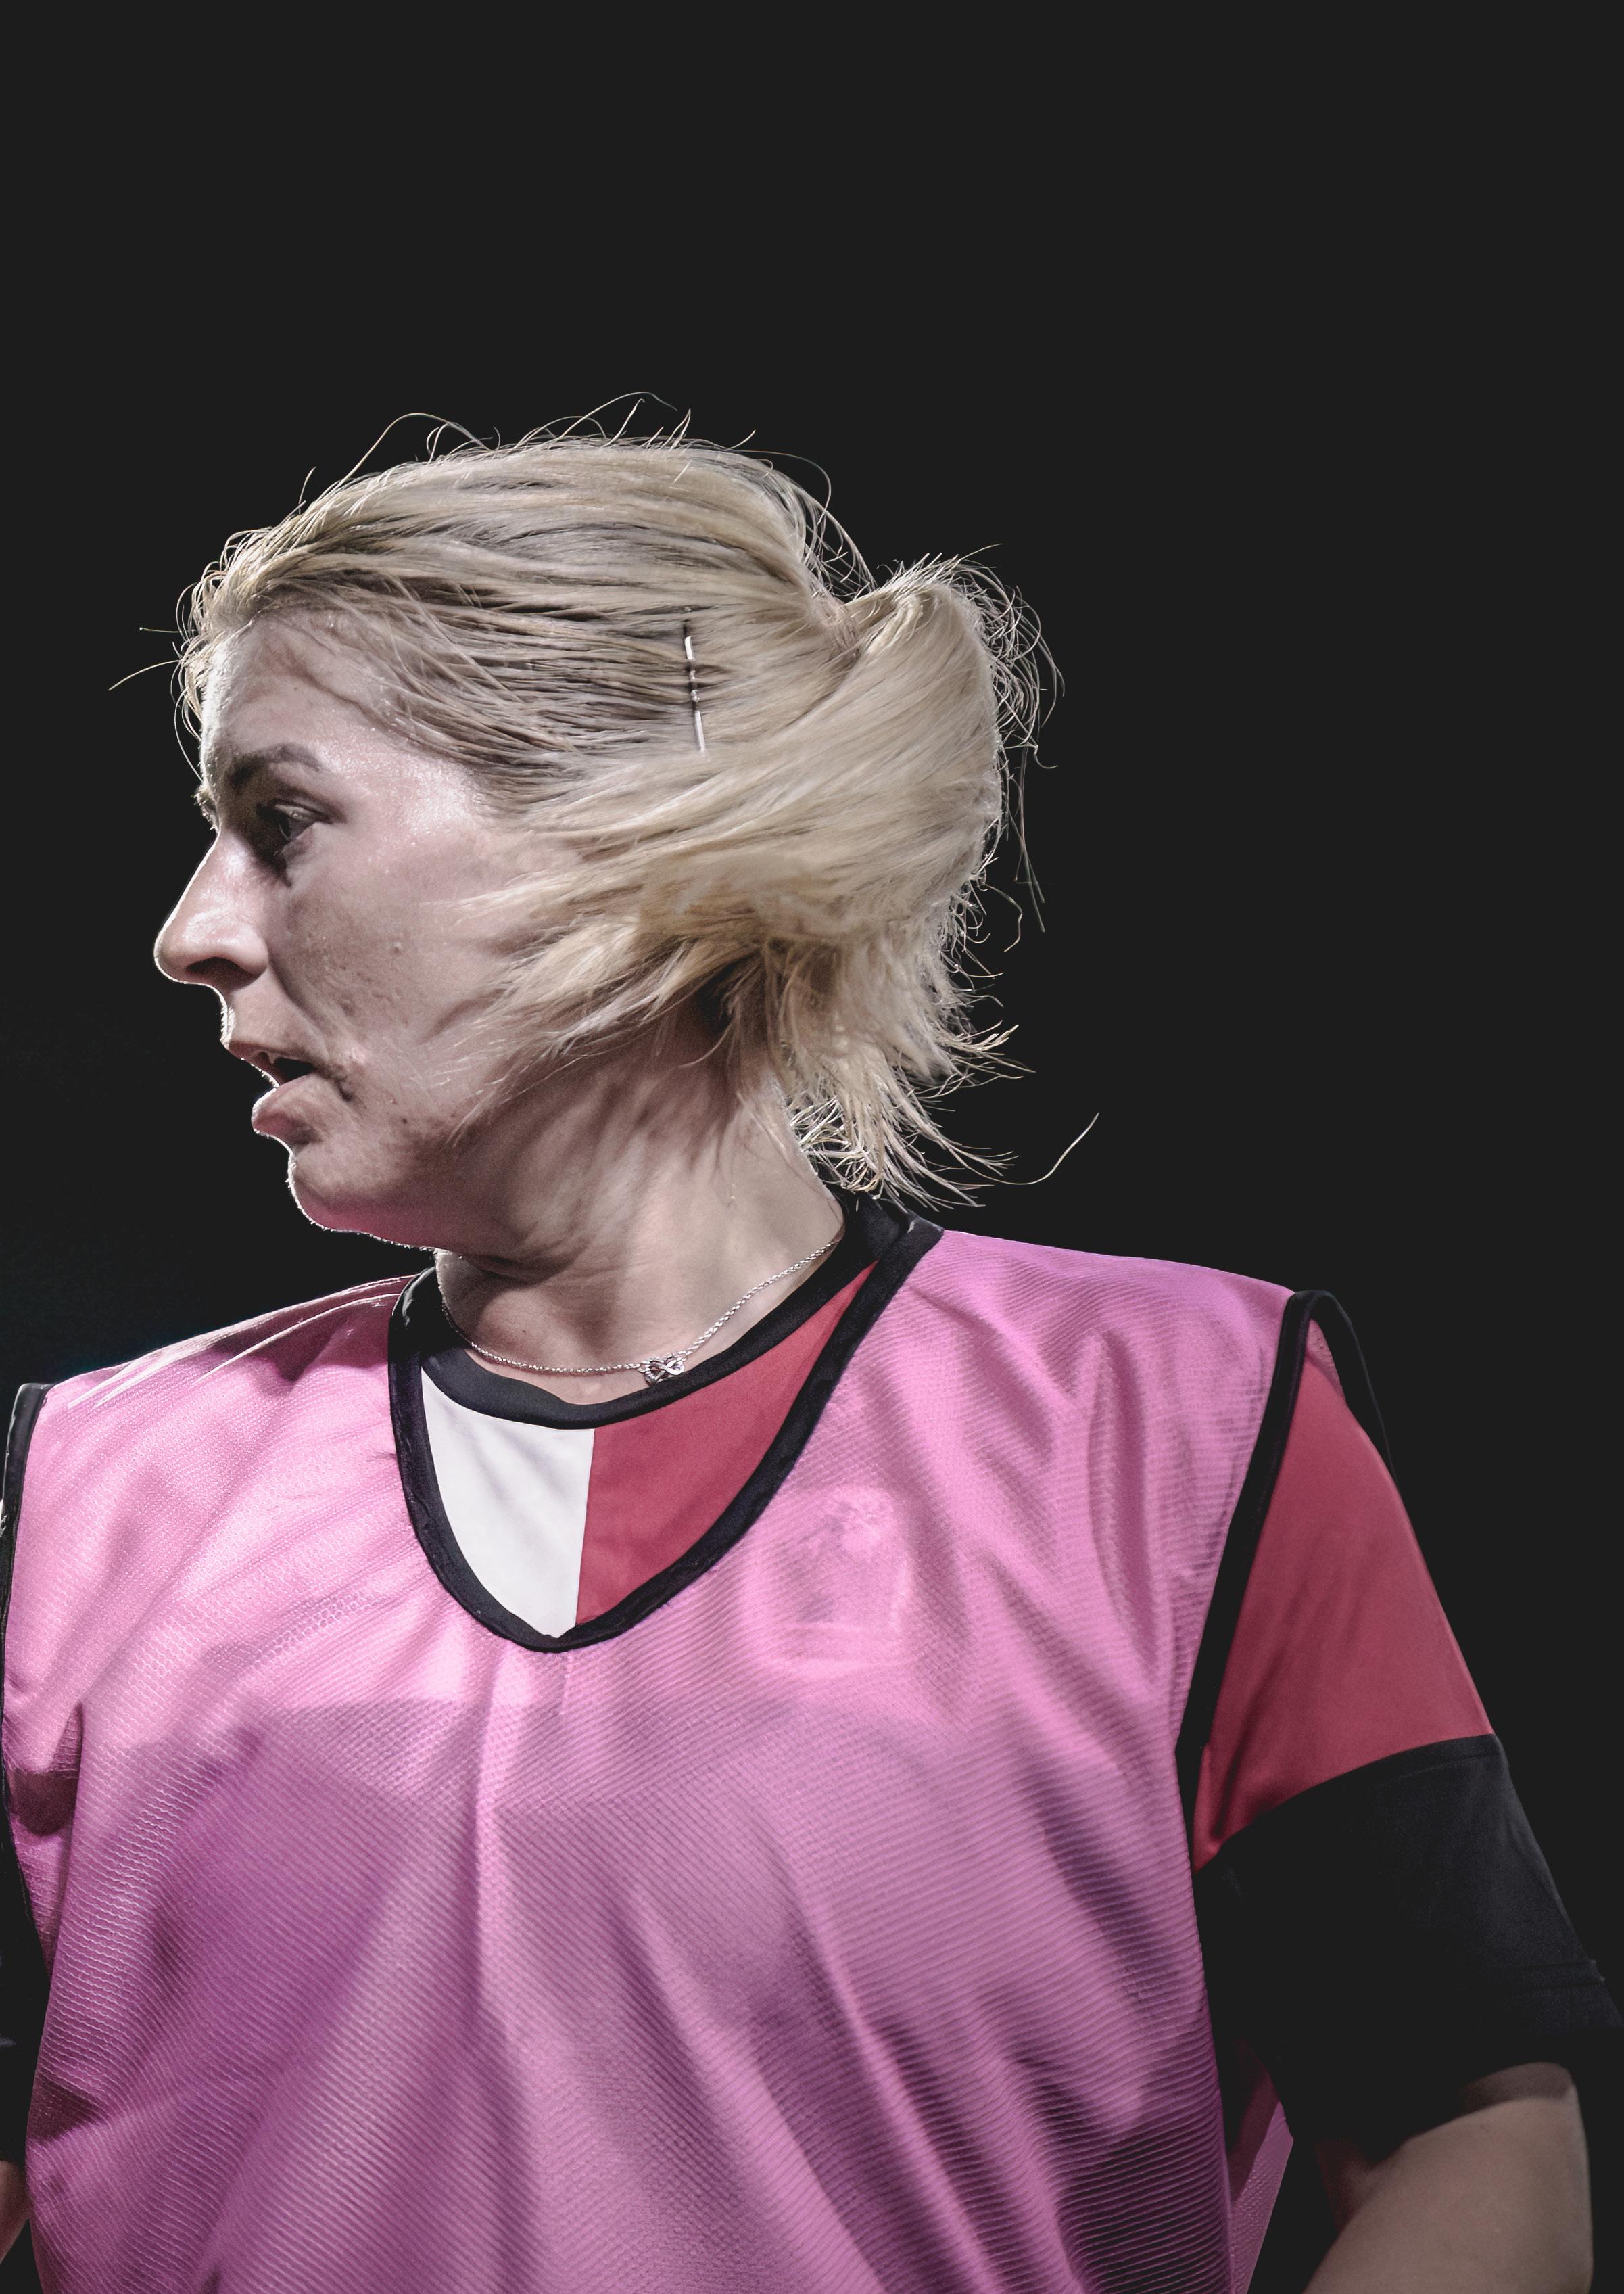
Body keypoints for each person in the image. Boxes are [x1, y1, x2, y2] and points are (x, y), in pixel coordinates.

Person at [0, 434, 1614, 2294]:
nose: (189, 932)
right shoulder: (82, 1498)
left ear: (627, 833)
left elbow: (1467, 2132)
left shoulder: (1181, 1430)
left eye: (284, 822)